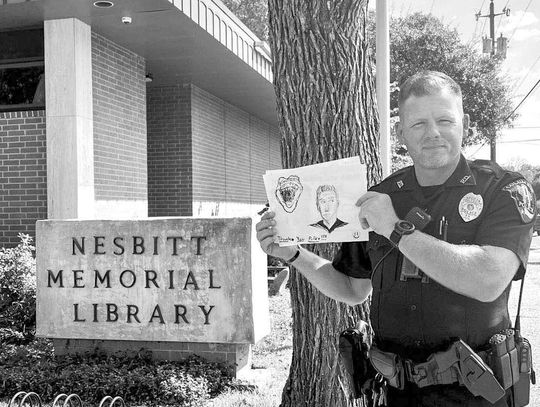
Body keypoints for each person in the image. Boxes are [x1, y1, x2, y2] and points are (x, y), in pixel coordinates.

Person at [256, 71, 536, 406]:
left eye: (444, 120)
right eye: (418, 124)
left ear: (465, 123)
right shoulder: (380, 198)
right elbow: (351, 288)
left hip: (478, 393)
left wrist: (395, 228)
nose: (433, 133)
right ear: (401, 132)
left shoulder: (501, 189)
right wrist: (294, 254)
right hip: (398, 393)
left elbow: (488, 279)